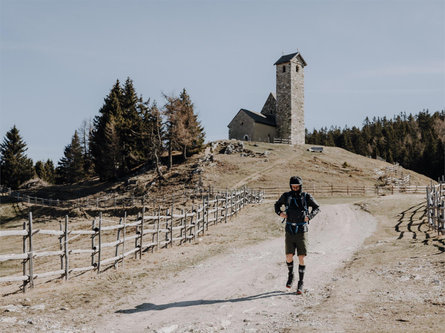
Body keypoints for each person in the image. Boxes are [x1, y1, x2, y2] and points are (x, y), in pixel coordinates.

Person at [274, 176, 320, 295]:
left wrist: (309, 216)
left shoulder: (306, 196)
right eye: (293, 187)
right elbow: (277, 205)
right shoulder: (286, 196)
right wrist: (280, 213)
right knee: (289, 256)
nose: (295, 189)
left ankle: (301, 282)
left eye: (297, 187)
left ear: (300, 186)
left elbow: (317, 207)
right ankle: (291, 275)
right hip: (289, 229)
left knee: (301, 257)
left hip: (302, 230)